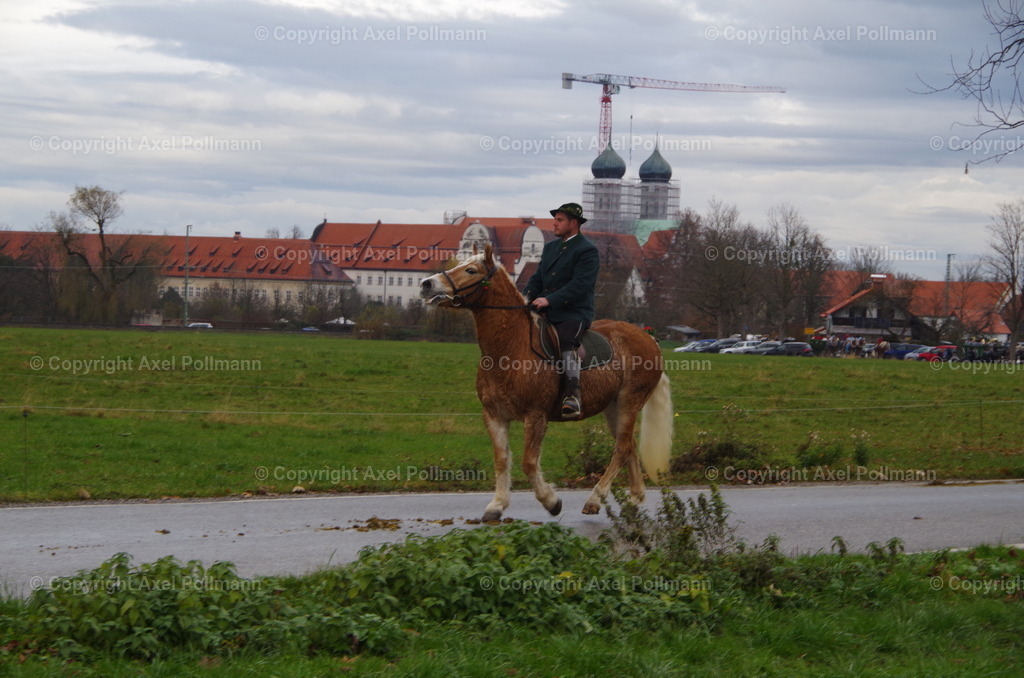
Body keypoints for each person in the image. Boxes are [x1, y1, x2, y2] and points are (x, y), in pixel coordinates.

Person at [523, 202, 600, 419]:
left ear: (573, 223)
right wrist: (526, 297)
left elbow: (580, 285)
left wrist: (550, 300)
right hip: (545, 309)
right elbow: (538, 278)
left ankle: (573, 395)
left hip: (573, 312)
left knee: (567, 341)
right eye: (554, 219)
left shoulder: (587, 250)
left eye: (559, 220)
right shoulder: (550, 248)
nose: (554, 224)